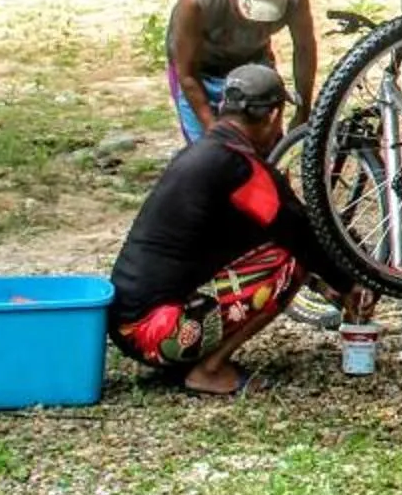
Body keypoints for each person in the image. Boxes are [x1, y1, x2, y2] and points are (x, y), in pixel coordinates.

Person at [108, 63, 368, 396]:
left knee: (282, 250)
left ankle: (196, 359)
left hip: (125, 329)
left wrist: (322, 284)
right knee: (289, 262)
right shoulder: (241, 169)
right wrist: (347, 284)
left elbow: (253, 239)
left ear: (223, 106)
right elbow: (303, 236)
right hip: (162, 336)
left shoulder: (198, 154)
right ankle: (209, 371)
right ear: (275, 115)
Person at [167, 0, 316, 141]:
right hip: (201, 72)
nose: (258, 24)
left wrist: (303, 111)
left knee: (265, 146)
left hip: (252, 62)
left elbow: (304, 49)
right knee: (209, 153)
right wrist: (214, 132)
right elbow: (186, 73)